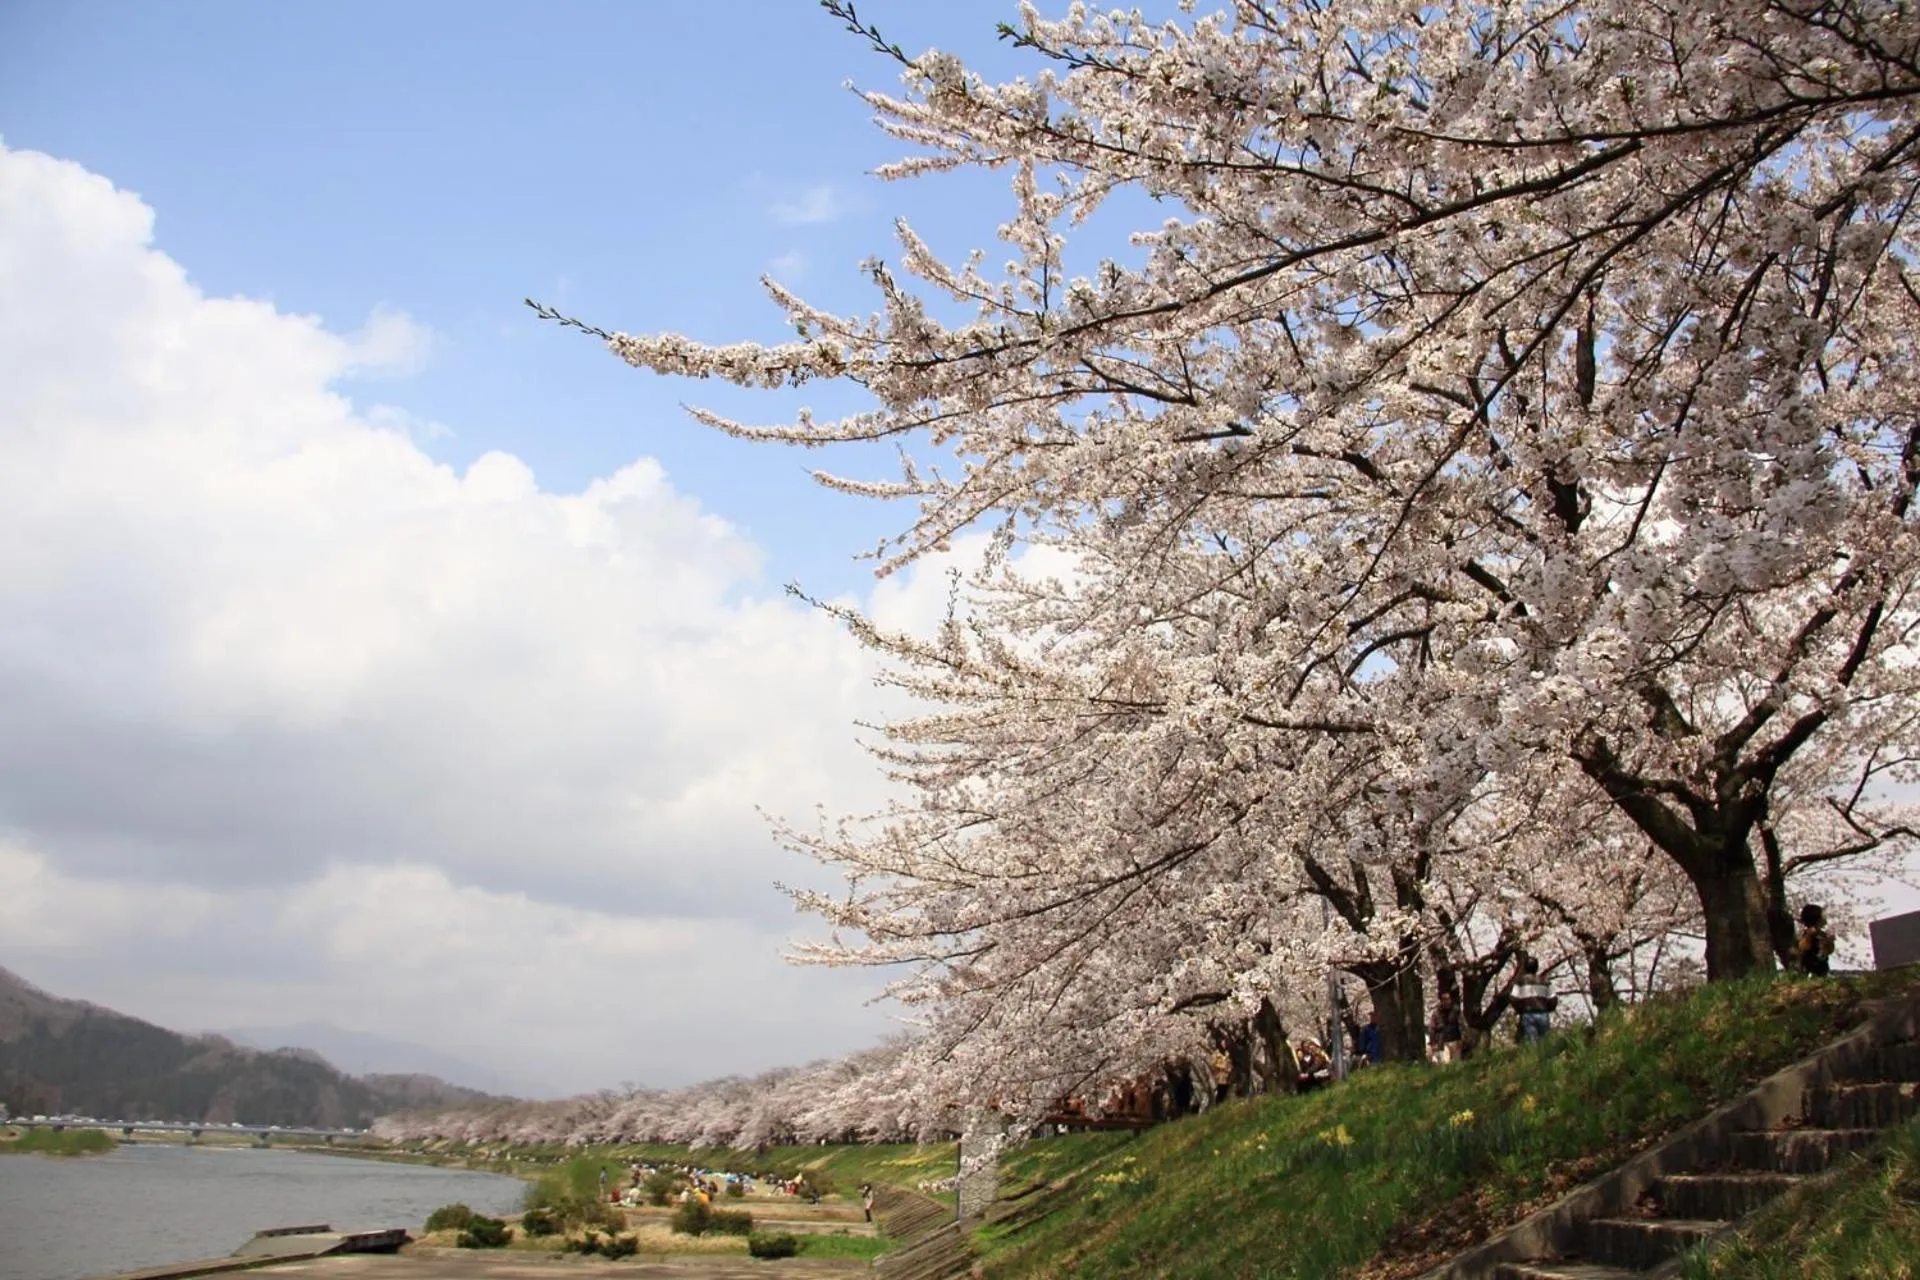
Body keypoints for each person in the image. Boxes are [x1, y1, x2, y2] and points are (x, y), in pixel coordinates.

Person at [1511, 957, 1557, 1044]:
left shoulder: (1519, 982)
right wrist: (1549, 1008)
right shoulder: (1546, 981)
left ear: (1525, 967)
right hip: (1543, 1013)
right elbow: (1553, 999)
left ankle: (1533, 1056)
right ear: (1537, 967)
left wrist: (1519, 1009)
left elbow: (1513, 998)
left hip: (1527, 1014)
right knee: (1544, 1042)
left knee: (1532, 1041)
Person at [1795, 904, 1835, 977]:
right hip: (1809, 967)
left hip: (1822, 966)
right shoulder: (1807, 933)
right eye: (1823, 915)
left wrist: (1830, 942)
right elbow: (1803, 947)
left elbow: (1829, 951)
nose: (1825, 917)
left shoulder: (1823, 934)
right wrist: (1809, 936)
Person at [1428, 990, 1464, 1064]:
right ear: (1441, 1000)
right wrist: (1433, 1043)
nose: (1446, 1001)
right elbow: (1432, 1028)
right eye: (1444, 999)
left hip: (1455, 1041)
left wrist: (1463, 1039)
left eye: (1448, 999)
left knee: (1456, 1064)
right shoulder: (1436, 1013)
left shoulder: (1456, 1011)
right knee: (1445, 1064)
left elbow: (1462, 1025)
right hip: (1442, 1043)